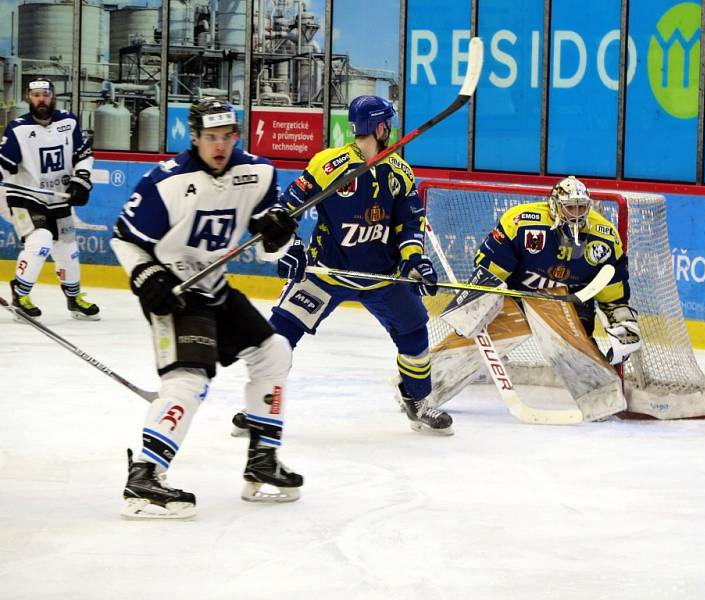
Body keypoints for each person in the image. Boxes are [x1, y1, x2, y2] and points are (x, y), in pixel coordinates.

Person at [110, 98, 303, 520]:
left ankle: (262, 460)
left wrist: (277, 233)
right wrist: (146, 277)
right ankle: (144, 476)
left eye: (227, 136)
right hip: (174, 292)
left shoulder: (257, 173)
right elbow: (124, 238)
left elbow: (270, 244)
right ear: (194, 137)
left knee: (274, 354)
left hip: (213, 285)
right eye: (210, 137)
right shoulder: (166, 182)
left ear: (237, 136)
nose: (219, 146)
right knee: (189, 380)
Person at [243, 95, 453, 435]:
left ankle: (416, 399)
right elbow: (288, 209)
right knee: (279, 335)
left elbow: (409, 227)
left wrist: (415, 260)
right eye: (388, 123)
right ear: (380, 127)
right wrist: (291, 245)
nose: (391, 129)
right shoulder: (331, 164)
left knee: (415, 334)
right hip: (326, 271)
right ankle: (260, 404)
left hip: (381, 275)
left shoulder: (399, 172)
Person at [453, 175, 641, 365]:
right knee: (481, 325)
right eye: (570, 207)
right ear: (555, 205)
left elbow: (613, 294)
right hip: (518, 295)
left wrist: (623, 324)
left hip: (569, 302)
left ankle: (591, 374)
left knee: (579, 354)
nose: (576, 214)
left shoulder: (605, 238)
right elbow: (490, 270)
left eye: (581, 207)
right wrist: (473, 305)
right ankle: (465, 357)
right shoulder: (521, 223)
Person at [0, 77, 100, 320]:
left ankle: (74, 298)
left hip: (58, 199)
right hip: (23, 197)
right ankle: (20, 293)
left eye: (45, 94)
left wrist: (81, 180)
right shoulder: (17, 129)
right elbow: (3, 165)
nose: (41, 99)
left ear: (53, 96)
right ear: (28, 98)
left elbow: (83, 156)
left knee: (67, 247)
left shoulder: (69, 121)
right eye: (36, 95)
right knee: (40, 240)